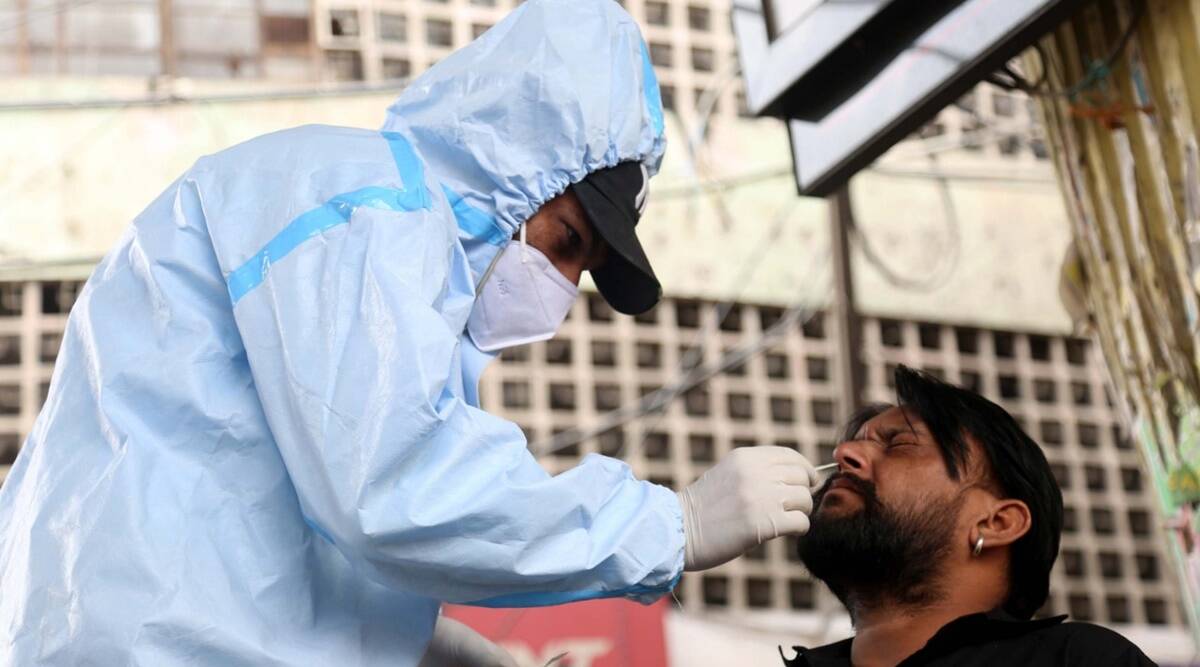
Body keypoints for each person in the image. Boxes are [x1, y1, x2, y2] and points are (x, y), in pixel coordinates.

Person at [0, 1, 819, 665]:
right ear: (515, 162)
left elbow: (281, 528)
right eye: (567, 242)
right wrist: (672, 523)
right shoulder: (371, 208)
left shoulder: (380, 240)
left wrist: (439, 649)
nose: (564, 288)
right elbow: (388, 492)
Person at [783, 365, 1155, 667]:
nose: (844, 452)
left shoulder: (1079, 660)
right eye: (855, 441)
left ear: (996, 523)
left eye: (899, 444)